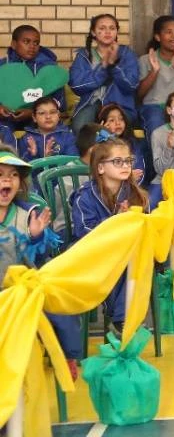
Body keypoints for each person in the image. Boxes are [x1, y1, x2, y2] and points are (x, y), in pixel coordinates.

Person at [0, 149, 82, 375]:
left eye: (13, 175)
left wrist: (36, 237)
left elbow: (40, 258)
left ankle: (66, 356)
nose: (7, 180)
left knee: (59, 303)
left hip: (24, 291)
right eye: (0, 174)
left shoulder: (28, 215)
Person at [70, 137, 148, 328]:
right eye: (117, 161)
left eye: (128, 161)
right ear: (100, 168)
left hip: (125, 251)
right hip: (92, 251)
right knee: (118, 260)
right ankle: (122, 317)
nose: (125, 165)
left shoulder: (135, 194)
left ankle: (124, 316)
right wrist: (115, 222)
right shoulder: (84, 196)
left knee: (137, 256)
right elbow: (83, 231)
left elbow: (144, 226)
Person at [69, 13, 139, 131]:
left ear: (116, 32)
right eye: (102, 28)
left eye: (112, 28)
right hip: (91, 103)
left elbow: (131, 85)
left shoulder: (126, 53)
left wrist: (113, 66)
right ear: (93, 32)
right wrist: (103, 67)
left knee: (116, 127)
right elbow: (76, 85)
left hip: (121, 105)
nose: (108, 32)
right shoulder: (84, 55)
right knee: (80, 128)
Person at [0, 24, 64, 131]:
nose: (32, 46)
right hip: (7, 118)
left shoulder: (49, 68)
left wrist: (34, 112)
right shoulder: (3, 66)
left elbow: (58, 100)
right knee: (3, 131)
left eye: (36, 43)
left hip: (38, 118)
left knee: (54, 132)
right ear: (14, 44)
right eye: (26, 42)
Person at [18, 96, 76, 161]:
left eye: (52, 112)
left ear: (58, 115)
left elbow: (73, 163)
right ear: (34, 117)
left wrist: (50, 160)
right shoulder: (26, 139)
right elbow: (21, 166)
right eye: (42, 113)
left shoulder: (68, 137)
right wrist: (33, 155)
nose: (48, 117)